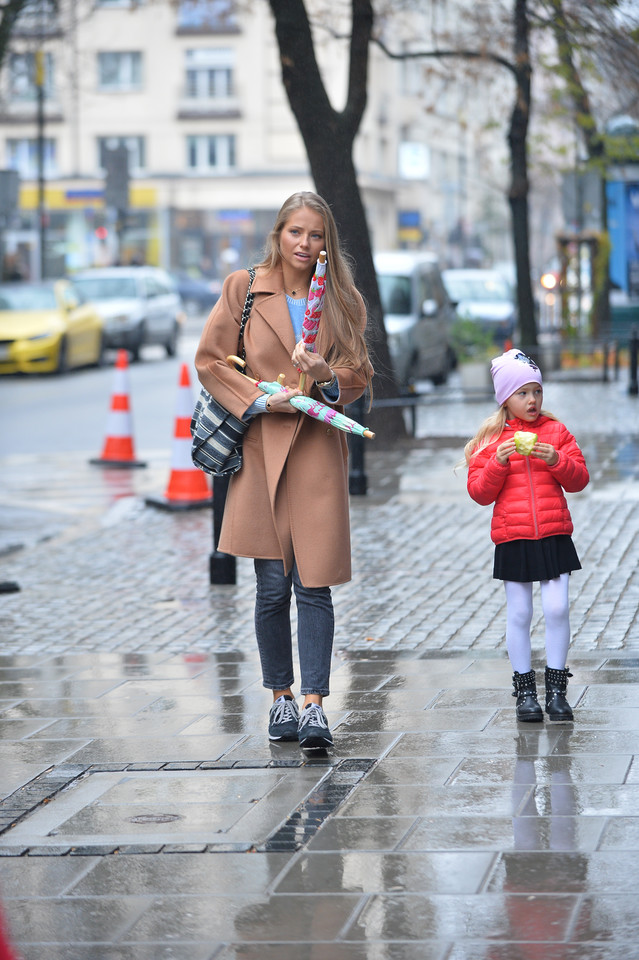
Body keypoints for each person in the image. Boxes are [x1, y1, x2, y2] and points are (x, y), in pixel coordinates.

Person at [194, 191, 373, 748]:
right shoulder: (244, 288)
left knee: (313, 584)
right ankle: (281, 699)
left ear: (328, 242)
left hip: (317, 452)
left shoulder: (343, 300)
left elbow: (357, 372)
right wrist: (258, 399)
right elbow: (209, 360)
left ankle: (316, 704)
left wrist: (325, 375)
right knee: (272, 587)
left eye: (316, 235)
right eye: (296, 232)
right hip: (263, 448)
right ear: (279, 234)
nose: (305, 244)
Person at [464, 348, 589, 722]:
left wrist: (557, 460)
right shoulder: (493, 439)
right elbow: (479, 493)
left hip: (553, 533)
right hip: (513, 536)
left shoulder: (556, 432)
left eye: (537, 391)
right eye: (523, 393)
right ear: (506, 397)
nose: (532, 400)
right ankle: (525, 693)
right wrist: (499, 464)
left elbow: (580, 479)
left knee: (557, 608)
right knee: (519, 613)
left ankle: (556, 692)